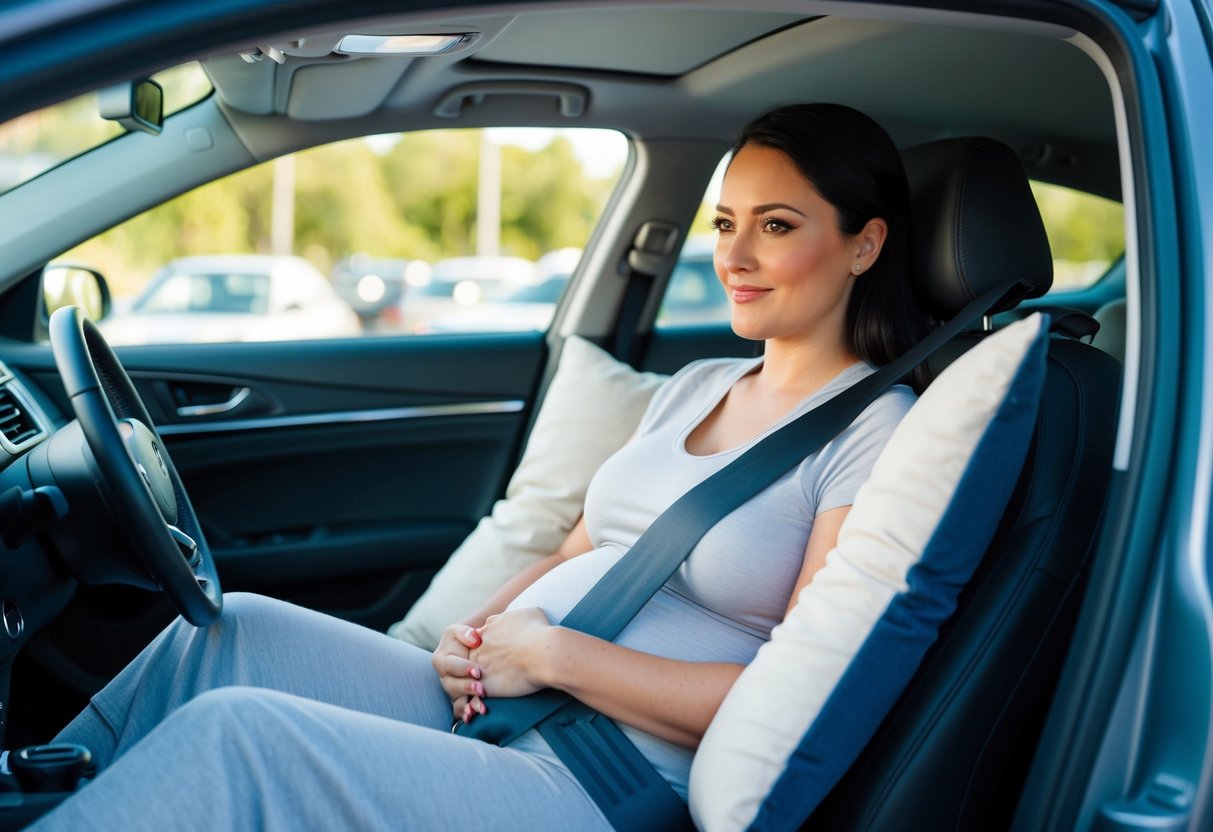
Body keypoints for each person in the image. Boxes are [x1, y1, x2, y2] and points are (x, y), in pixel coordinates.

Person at [28, 103, 926, 830]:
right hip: (510, 691)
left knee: (241, 739)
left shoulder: (875, 436)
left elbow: (798, 700)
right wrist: (474, 634)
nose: (732, 256)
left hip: (606, 783)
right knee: (225, 636)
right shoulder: (695, 384)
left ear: (864, 244)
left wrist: (549, 652)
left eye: (775, 226)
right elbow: (580, 548)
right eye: (725, 222)